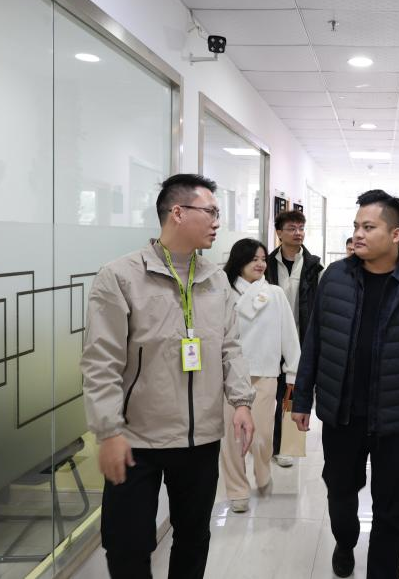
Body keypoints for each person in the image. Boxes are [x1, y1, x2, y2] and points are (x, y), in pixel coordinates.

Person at [81, 173, 255, 579]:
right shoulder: (120, 276)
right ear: (178, 212)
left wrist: (242, 402)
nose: (217, 222)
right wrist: (108, 430)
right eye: (210, 212)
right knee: (126, 546)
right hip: (135, 438)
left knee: (193, 538)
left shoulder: (216, 280)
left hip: (200, 438)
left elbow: (230, 347)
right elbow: (101, 361)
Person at [292, 190, 399, 579]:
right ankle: (345, 541)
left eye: (368, 227)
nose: (358, 234)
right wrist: (302, 398)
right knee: (340, 492)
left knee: (391, 509)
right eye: (356, 226)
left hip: (396, 418)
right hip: (343, 413)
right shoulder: (335, 277)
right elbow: (315, 341)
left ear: (395, 234)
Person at [221, 238, 301, 513]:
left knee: (263, 435)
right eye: (254, 259)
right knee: (232, 439)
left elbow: (289, 335)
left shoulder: (275, 294)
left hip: (265, 373)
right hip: (230, 375)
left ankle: (263, 470)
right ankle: (237, 490)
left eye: (263, 259)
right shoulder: (224, 292)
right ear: (239, 261)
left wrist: (293, 373)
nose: (260, 264)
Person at [265, 209, 323, 467]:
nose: (298, 233)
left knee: (293, 394)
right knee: (271, 394)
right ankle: (269, 442)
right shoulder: (267, 264)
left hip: (301, 339)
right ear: (279, 232)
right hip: (270, 341)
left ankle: (286, 447)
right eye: (291, 228)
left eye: (301, 228)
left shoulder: (313, 266)